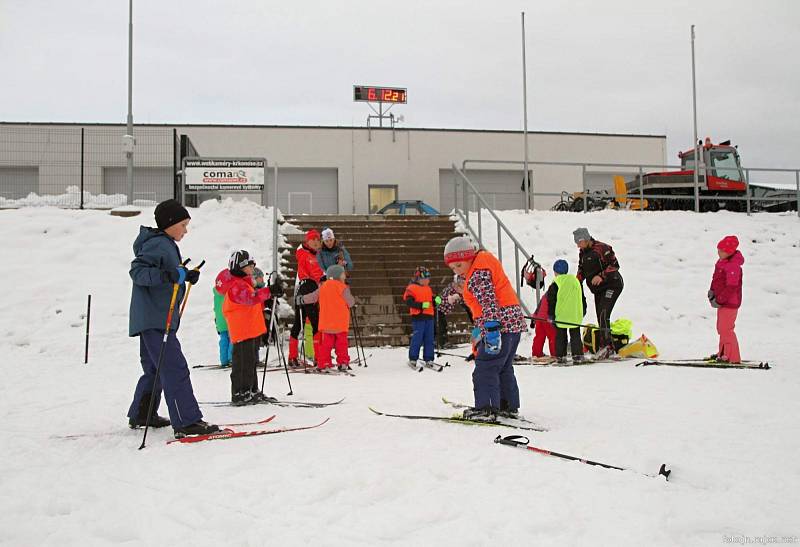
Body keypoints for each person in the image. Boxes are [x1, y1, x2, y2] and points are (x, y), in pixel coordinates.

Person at [127, 199, 219, 438]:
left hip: (153, 317)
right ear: (170, 224)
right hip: (156, 319)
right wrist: (171, 274)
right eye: (183, 225)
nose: (186, 231)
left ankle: (142, 413)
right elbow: (138, 272)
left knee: (155, 369)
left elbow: (166, 274)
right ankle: (187, 421)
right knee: (173, 367)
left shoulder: (162, 243)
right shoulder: (159, 244)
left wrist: (185, 275)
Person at [443, 236, 526, 421]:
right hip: (511, 324)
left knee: (486, 367)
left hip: (497, 326)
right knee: (503, 367)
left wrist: (491, 329)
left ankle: (487, 408)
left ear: (468, 256)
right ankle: (508, 405)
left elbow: (489, 302)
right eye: (453, 268)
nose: (457, 271)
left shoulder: (478, 273)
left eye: (459, 265)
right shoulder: (484, 264)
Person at [221, 250, 283, 405]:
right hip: (243, 331)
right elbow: (249, 299)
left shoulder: (245, 284)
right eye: (249, 265)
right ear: (240, 267)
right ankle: (240, 393)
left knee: (250, 362)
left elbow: (254, 301)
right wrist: (268, 291)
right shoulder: (236, 285)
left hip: (251, 329)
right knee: (243, 363)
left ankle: (252, 390)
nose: (252, 268)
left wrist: (269, 295)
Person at [573, 227, 624, 359]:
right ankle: (604, 344)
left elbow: (615, 265)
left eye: (578, 242)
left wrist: (601, 276)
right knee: (600, 315)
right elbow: (581, 269)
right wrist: (576, 282)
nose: (577, 245)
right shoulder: (582, 252)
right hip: (598, 290)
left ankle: (608, 347)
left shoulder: (602, 248)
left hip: (612, 284)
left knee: (603, 313)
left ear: (585, 239)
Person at [288, 230, 325, 367]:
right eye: (313, 239)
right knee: (315, 324)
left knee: (300, 324)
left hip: (302, 290)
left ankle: (293, 357)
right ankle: (318, 358)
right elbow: (315, 272)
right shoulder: (305, 254)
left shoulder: (314, 254)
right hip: (309, 288)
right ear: (307, 241)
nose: (316, 242)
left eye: (318, 239)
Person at [708, 235, 743, 363]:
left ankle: (732, 357)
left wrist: (720, 299)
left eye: (721, 251)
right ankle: (723, 352)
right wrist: (712, 292)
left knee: (726, 329)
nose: (718, 253)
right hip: (723, 302)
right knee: (721, 328)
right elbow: (716, 279)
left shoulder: (733, 266)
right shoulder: (721, 262)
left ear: (729, 252)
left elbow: (731, 287)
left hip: (730, 303)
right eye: (718, 250)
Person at [545, 259, 587, 363]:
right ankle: (577, 355)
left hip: (561, 315)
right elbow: (582, 297)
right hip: (575, 314)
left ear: (555, 272)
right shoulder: (575, 281)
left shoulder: (556, 283)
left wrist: (550, 315)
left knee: (560, 336)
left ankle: (561, 356)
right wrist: (583, 310)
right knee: (575, 335)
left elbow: (551, 300)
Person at [317, 264, 356, 372]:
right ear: (338, 275)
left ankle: (324, 362)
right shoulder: (342, 287)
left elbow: (313, 297)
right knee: (341, 344)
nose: (345, 275)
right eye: (343, 273)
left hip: (326, 323)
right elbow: (351, 302)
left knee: (326, 345)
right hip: (340, 323)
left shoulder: (323, 286)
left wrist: (302, 299)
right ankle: (342, 362)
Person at [403, 266, 437, 369]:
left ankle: (429, 358)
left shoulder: (428, 289)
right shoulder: (411, 288)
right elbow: (409, 302)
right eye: (425, 278)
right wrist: (421, 305)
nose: (428, 280)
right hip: (418, 317)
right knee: (417, 338)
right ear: (419, 278)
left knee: (429, 339)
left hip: (429, 317)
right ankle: (413, 358)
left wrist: (436, 300)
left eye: (428, 278)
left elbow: (432, 301)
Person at [528, 269, 556, 358]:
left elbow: (539, 306)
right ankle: (555, 354)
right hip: (548, 319)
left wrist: (534, 318)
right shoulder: (556, 295)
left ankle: (536, 353)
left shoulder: (545, 295)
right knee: (553, 337)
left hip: (539, 319)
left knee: (539, 337)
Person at [213, 266, 235, 368]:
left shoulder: (216, 293)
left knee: (223, 339)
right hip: (229, 318)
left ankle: (224, 360)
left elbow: (216, 308)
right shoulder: (229, 292)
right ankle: (232, 358)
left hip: (220, 321)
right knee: (232, 339)